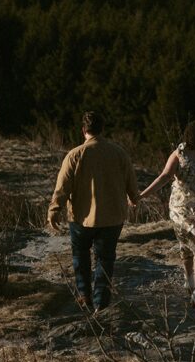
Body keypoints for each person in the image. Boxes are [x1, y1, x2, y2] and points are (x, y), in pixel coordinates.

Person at [48, 110, 139, 312]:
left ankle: (84, 296)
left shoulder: (75, 155)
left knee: (80, 256)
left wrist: (54, 210)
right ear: (102, 129)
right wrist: (134, 198)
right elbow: (131, 183)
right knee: (105, 259)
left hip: (81, 217)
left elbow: (62, 187)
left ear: (83, 130)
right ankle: (101, 303)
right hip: (112, 217)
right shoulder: (119, 153)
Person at [139, 120, 195, 305]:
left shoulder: (180, 154)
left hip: (182, 206)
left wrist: (142, 195)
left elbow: (164, 176)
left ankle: (188, 279)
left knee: (186, 244)